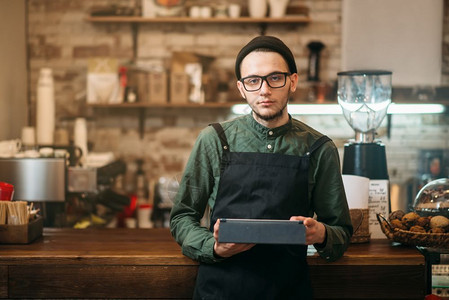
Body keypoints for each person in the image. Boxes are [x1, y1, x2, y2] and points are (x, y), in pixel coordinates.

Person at [170, 35, 353, 299]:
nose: (264, 90)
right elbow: (181, 217)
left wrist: (321, 233)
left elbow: (340, 233)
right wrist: (214, 247)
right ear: (241, 88)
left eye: (274, 78)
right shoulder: (215, 140)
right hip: (219, 289)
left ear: (293, 81)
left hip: (289, 290)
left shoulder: (318, 148)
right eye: (253, 81)